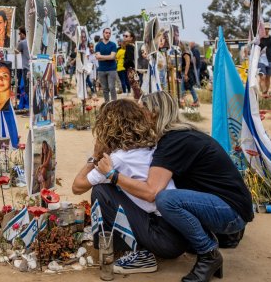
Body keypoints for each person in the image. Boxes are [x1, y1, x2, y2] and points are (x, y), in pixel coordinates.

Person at [98, 91, 253, 282]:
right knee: (170, 197)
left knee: (165, 199)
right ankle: (203, 245)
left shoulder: (173, 141)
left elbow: (151, 192)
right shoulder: (179, 136)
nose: (136, 116)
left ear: (153, 112)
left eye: (140, 110)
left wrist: (113, 176)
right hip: (227, 206)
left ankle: (208, 254)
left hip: (231, 212)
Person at [72, 97, 189, 274]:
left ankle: (137, 252)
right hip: (179, 234)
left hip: (163, 239)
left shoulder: (118, 159)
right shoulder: (152, 147)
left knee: (101, 190)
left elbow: (77, 186)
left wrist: (94, 157)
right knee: (115, 186)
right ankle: (132, 244)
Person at [95, 28, 119, 102]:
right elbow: (97, 58)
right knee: (105, 89)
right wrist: (108, 57)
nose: (108, 34)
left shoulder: (113, 45)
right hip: (101, 70)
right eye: (106, 33)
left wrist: (101, 57)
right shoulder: (98, 45)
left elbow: (112, 57)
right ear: (103, 33)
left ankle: (114, 104)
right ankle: (107, 104)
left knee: (112, 87)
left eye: (109, 33)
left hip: (111, 69)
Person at [122, 31, 141, 100]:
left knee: (136, 89)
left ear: (131, 38)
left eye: (126, 36)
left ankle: (139, 105)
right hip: (136, 69)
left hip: (131, 70)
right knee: (137, 88)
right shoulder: (134, 45)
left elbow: (130, 59)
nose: (124, 37)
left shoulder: (129, 46)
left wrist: (124, 64)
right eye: (124, 35)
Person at [15, 27, 30, 107]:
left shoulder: (22, 43)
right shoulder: (31, 42)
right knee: (26, 87)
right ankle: (22, 105)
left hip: (25, 68)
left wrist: (18, 42)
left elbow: (16, 51)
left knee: (24, 88)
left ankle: (26, 106)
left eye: (20, 34)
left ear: (23, 34)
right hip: (31, 67)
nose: (19, 35)